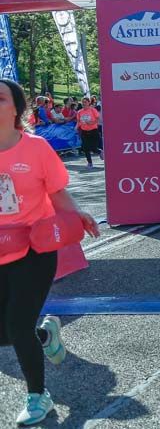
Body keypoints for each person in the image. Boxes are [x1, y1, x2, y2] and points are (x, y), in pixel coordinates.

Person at [0, 79, 100, 426]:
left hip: (34, 248)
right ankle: (46, 335)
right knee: (6, 333)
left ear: (16, 108)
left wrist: (78, 215)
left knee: (17, 323)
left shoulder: (37, 148)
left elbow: (57, 194)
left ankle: (37, 396)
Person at [75, 96, 102, 168]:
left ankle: (100, 152)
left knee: (93, 148)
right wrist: (76, 127)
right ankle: (90, 163)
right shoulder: (79, 112)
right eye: (82, 102)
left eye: (85, 102)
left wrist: (91, 122)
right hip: (84, 132)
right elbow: (78, 121)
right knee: (85, 148)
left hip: (93, 131)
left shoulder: (93, 110)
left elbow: (98, 119)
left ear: (88, 103)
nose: (84, 103)